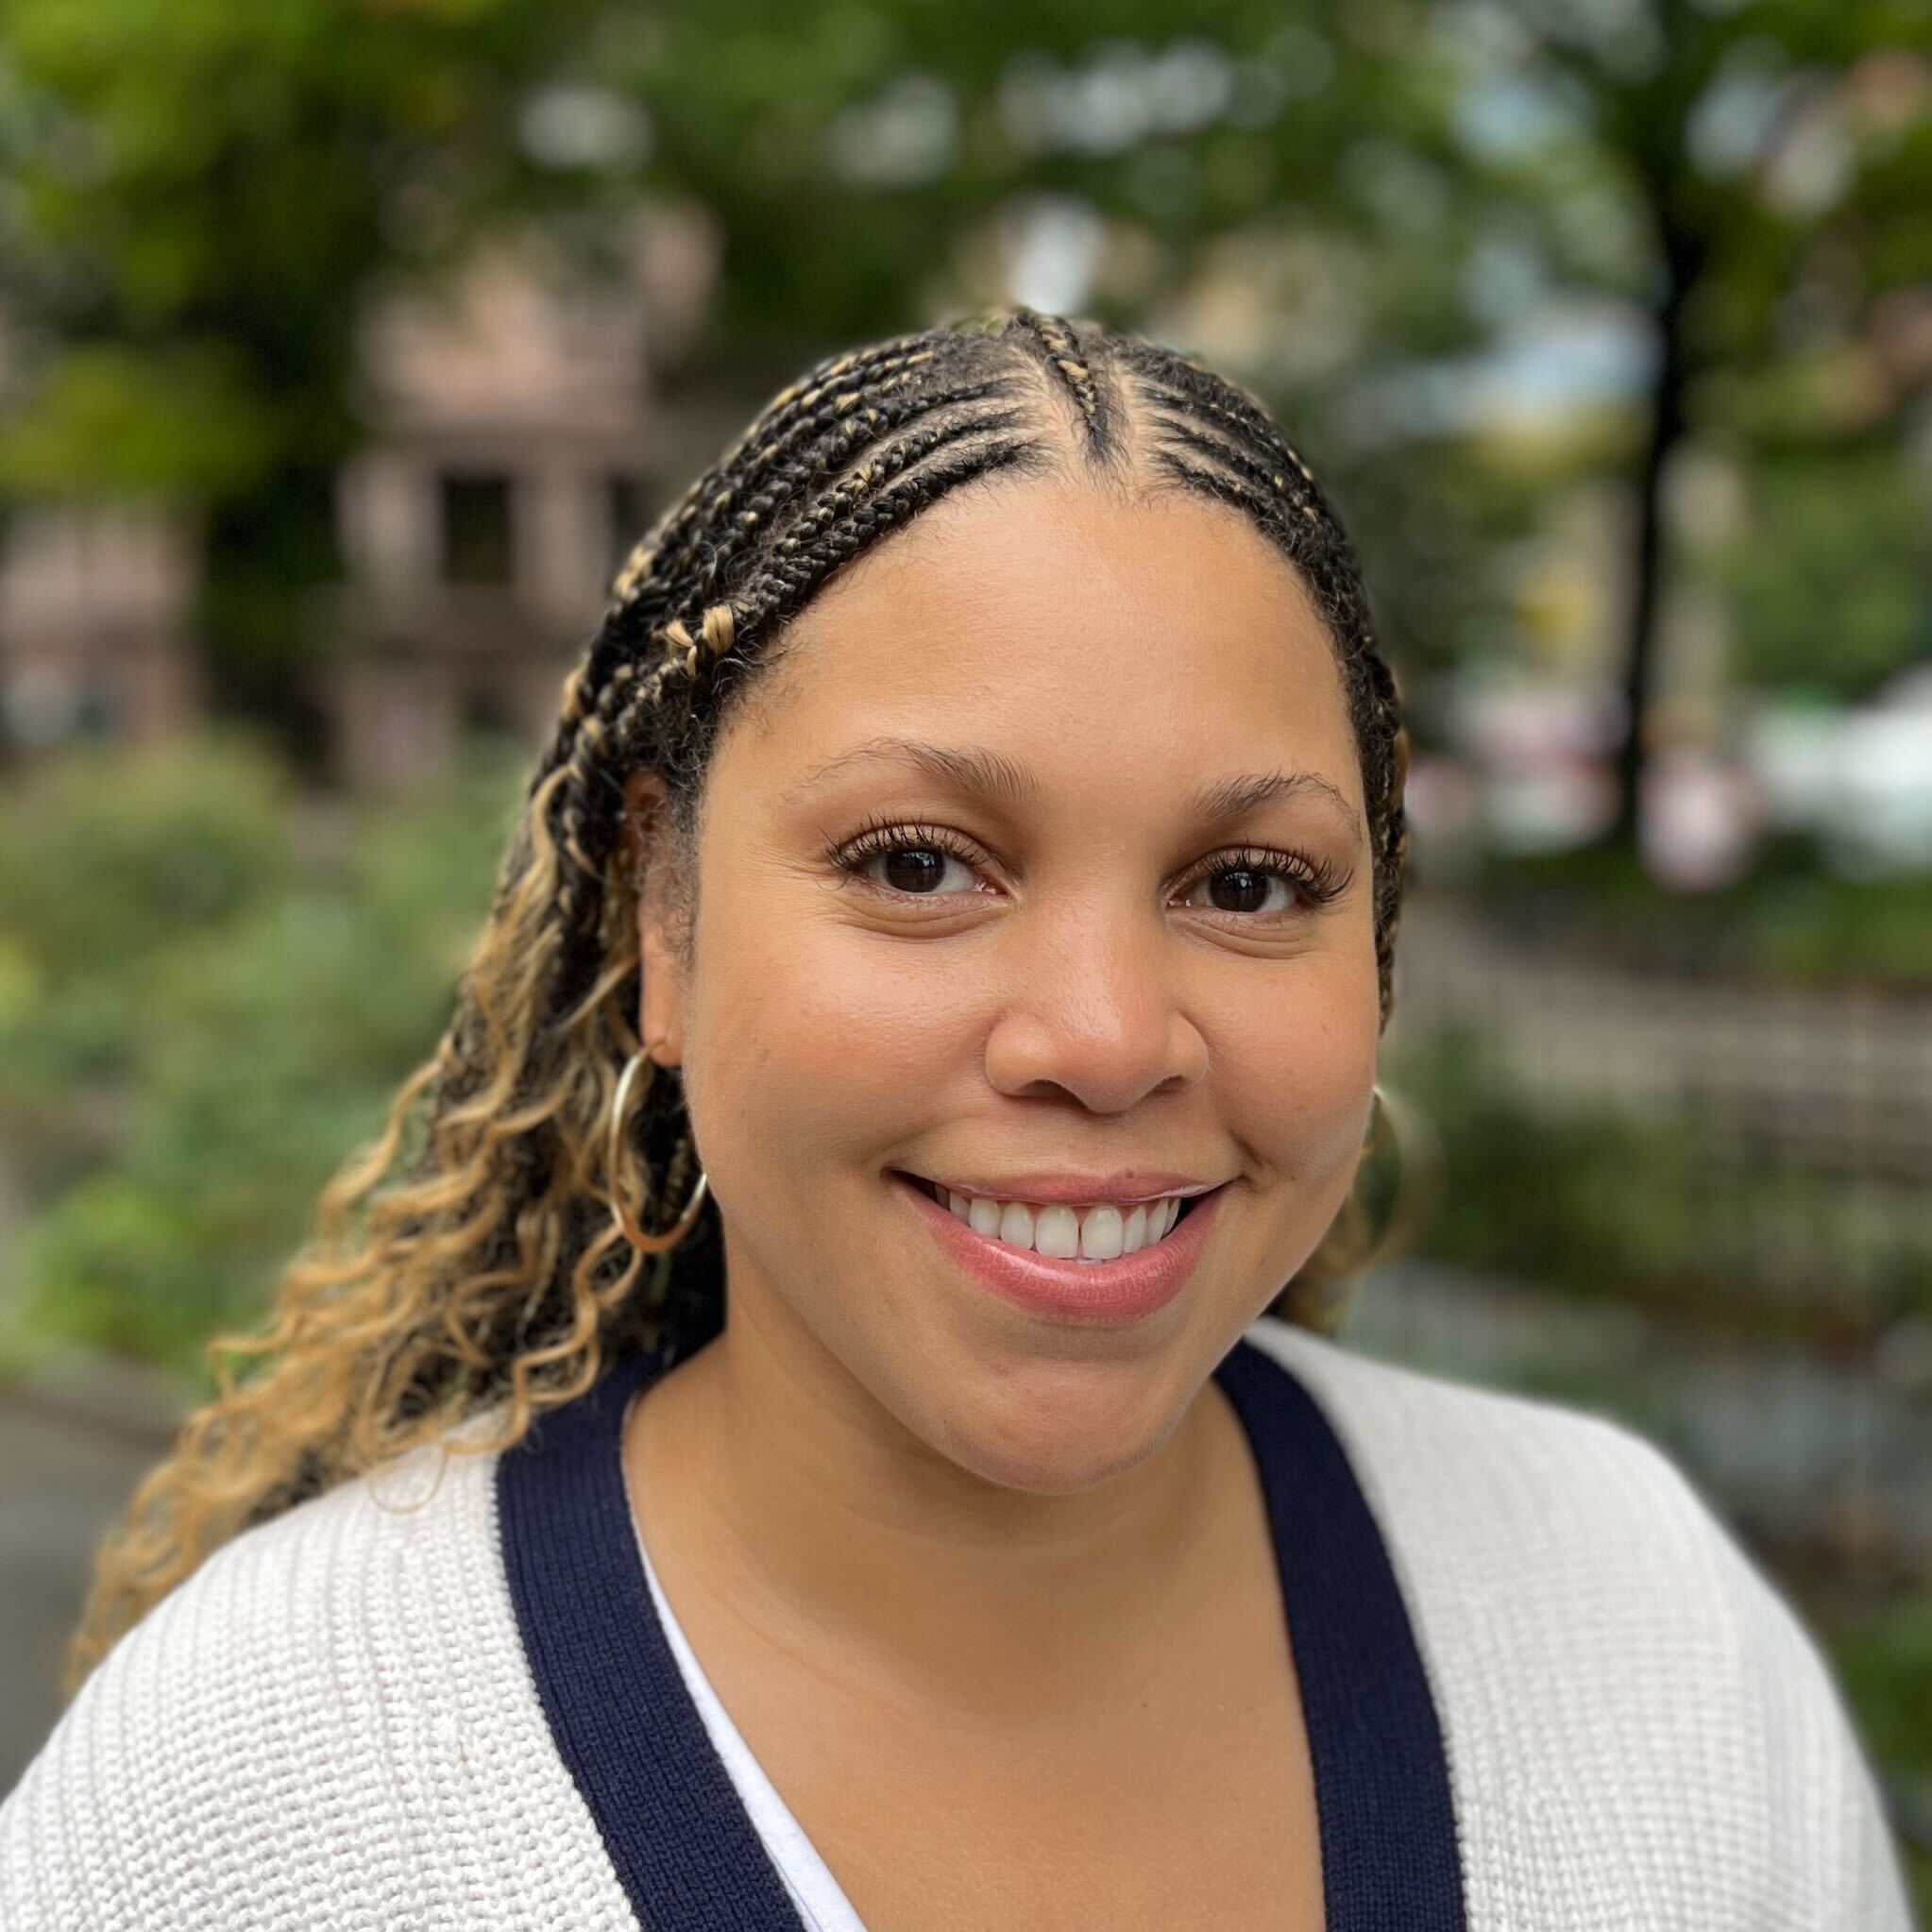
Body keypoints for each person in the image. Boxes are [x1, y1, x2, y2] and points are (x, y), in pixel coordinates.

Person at [0, 309, 1912, 1930]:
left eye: (1249, 883)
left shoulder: (1653, 1632)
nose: (1102, 1035)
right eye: (921, 861)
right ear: (656, 917)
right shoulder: (249, 1804)